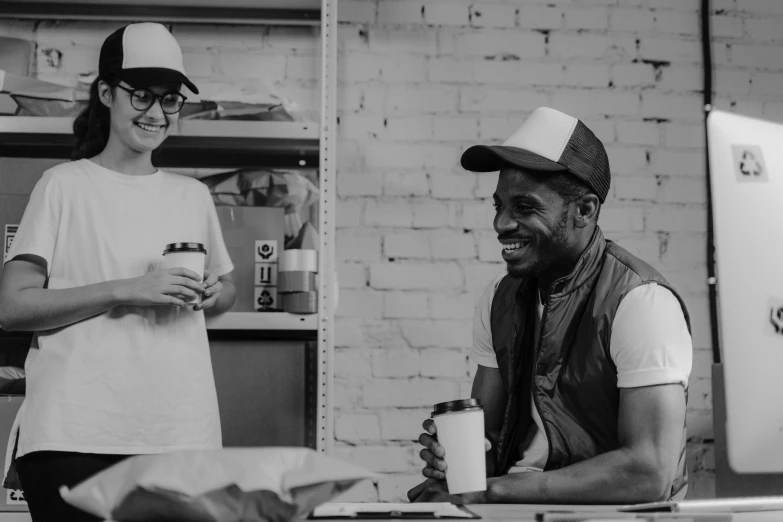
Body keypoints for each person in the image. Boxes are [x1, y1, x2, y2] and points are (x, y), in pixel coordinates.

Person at [0, 23, 236, 521]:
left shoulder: (190, 195)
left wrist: (211, 293)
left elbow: (228, 291)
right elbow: (12, 305)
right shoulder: (63, 186)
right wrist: (128, 290)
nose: (156, 113)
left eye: (170, 100)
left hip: (179, 431)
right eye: (142, 96)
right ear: (107, 93)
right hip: (75, 433)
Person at [407, 107, 692, 504]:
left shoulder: (640, 302)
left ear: (585, 210)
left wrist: (492, 490)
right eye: (498, 206)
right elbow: (489, 440)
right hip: (516, 505)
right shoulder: (499, 298)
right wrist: (456, 463)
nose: (501, 224)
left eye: (524, 207)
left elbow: (648, 474)